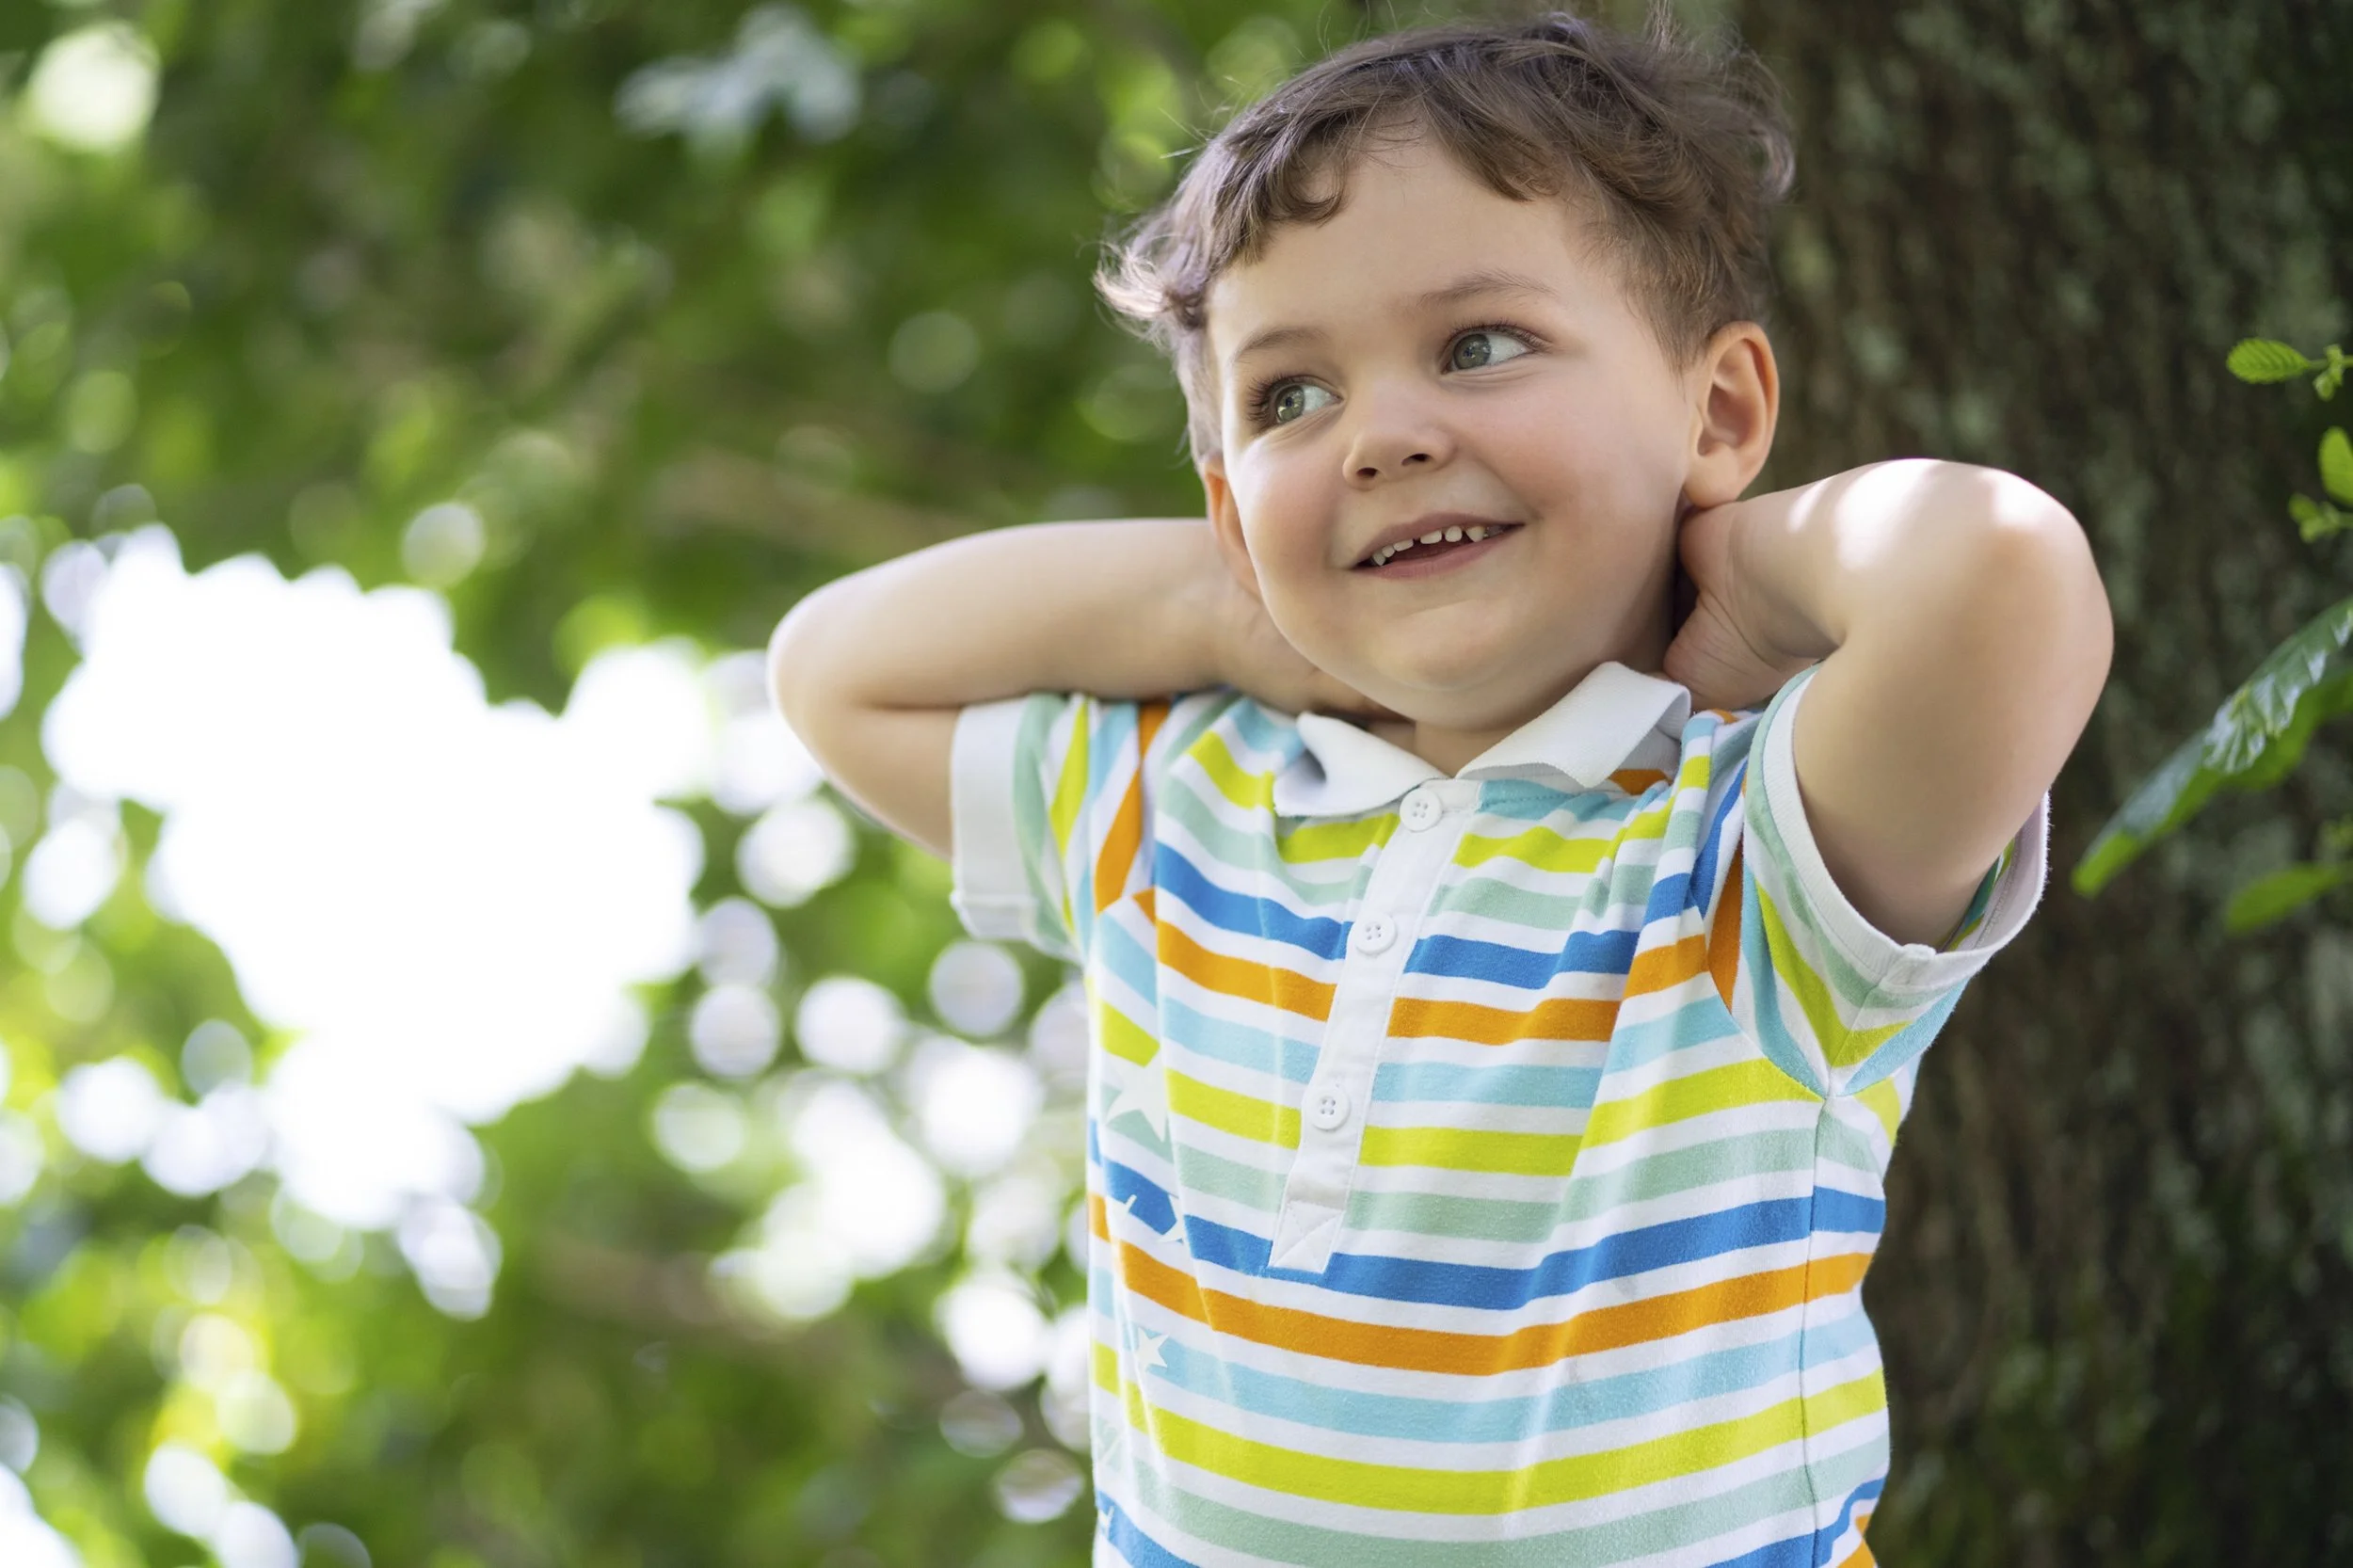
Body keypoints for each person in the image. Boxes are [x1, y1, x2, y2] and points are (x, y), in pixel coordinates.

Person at [770, 8, 2112, 1564]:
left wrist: (1731, 565)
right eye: (1288, 398)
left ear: (1722, 410)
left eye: (1479, 346)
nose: (1383, 438)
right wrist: (1216, 608)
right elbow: (831, 668)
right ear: (1225, 502)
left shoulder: (1742, 841)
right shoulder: (1170, 807)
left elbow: (2002, 572)